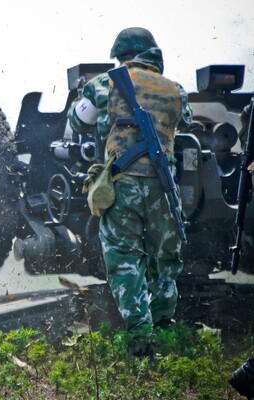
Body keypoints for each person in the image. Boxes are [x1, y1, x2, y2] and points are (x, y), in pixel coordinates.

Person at [67, 27, 193, 356]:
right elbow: (188, 122)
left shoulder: (104, 84)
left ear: (122, 55)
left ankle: (141, 341)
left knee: (125, 261)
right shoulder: (175, 89)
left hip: (121, 186)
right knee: (164, 261)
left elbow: (77, 123)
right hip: (164, 189)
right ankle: (165, 333)